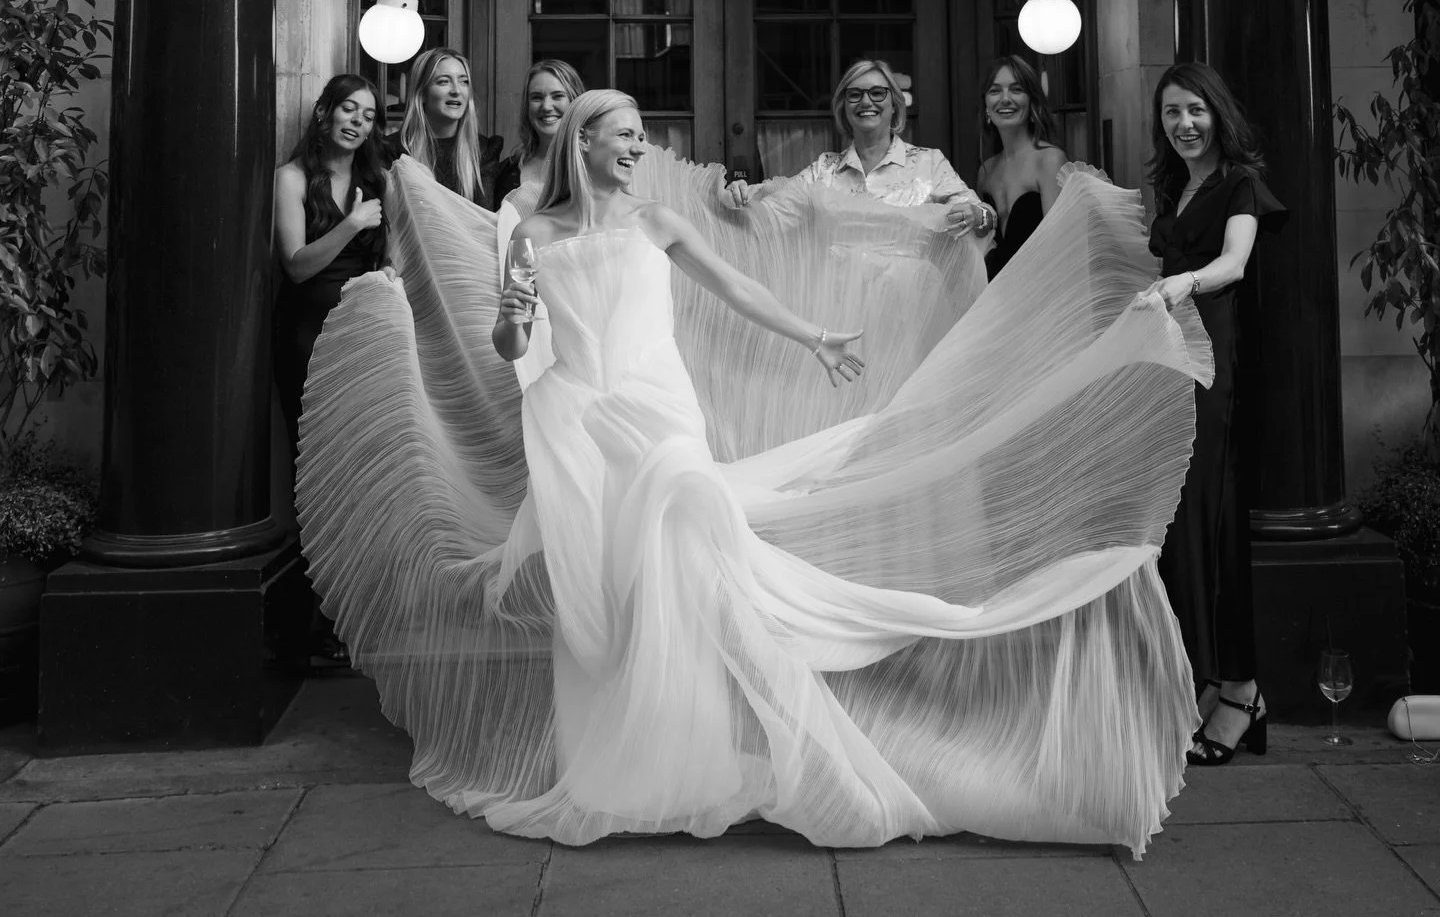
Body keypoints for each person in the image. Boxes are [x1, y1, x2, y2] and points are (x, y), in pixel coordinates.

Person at [296, 89, 1212, 854]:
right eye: (626, 139)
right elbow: (515, 341)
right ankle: (635, 758)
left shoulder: (655, 220)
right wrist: (512, 319)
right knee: (611, 592)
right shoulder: (529, 231)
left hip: (659, 414)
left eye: (644, 140)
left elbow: (737, 288)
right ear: (584, 143)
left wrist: (814, 336)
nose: (640, 152)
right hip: (575, 420)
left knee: (694, 519)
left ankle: (809, 741)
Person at [1144, 60, 1287, 766]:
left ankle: (1240, 693)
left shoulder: (1238, 183)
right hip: (1175, 362)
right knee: (1185, 527)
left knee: (1214, 522)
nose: (1184, 124)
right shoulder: (1176, 189)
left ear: (1217, 113)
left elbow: (1233, 265)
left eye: (1195, 110)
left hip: (1216, 367)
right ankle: (1215, 682)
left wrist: (1183, 284)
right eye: (1171, 113)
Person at [273, 72, 388, 664]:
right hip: (306, 339)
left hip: (362, 338)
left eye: (367, 116)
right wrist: (349, 224)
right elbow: (295, 266)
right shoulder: (290, 179)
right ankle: (315, 626)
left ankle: (355, 613)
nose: (356, 122)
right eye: (348, 109)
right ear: (324, 112)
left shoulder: (377, 181)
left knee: (360, 472)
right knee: (315, 474)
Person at [725, 58, 995, 235]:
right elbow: (776, 208)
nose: (866, 102)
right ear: (844, 108)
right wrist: (741, 195)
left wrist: (977, 216)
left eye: (877, 93)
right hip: (838, 304)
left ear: (895, 106)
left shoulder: (929, 163)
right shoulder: (825, 169)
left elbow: (985, 215)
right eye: (855, 94)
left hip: (911, 305)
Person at [976, 55, 1068, 279]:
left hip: (1041, 295)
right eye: (995, 91)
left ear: (1032, 101)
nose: (1005, 99)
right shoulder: (986, 171)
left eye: (1016, 89)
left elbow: (1062, 248)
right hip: (994, 298)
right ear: (986, 105)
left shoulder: (1049, 160)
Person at [398, 48, 504, 208]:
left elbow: (484, 221)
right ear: (422, 93)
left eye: (464, 81)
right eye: (443, 81)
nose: (456, 90)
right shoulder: (394, 150)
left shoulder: (484, 151)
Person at [493, 58, 585, 214]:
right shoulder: (505, 171)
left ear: (575, 101)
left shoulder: (594, 166)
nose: (546, 106)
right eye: (537, 97)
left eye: (557, 96)